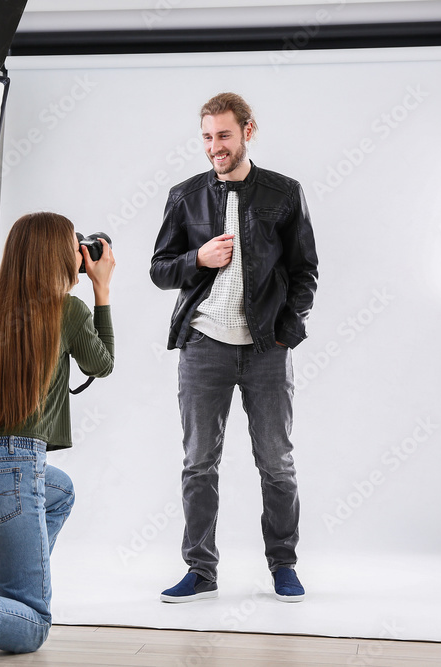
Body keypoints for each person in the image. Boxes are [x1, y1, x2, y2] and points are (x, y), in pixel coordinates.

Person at [0, 212, 115, 666]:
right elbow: (101, 364)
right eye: (75, 246)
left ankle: (10, 592)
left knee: (60, 491)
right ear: (56, 255)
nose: (81, 253)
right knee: (33, 627)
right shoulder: (66, 309)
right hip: (2, 474)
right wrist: (101, 288)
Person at [149, 92, 318, 604]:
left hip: (267, 348)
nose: (214, 146)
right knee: (198, 462)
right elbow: (159, 269)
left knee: (276, 462)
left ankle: (283, 565)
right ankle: (201, 570)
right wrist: (197, 258)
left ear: (249, 131)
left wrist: (288, 329)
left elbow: (304, 271)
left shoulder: (284, 193)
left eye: (223, 135)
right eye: (206, 136)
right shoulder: (185, 196)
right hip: (204, 347)